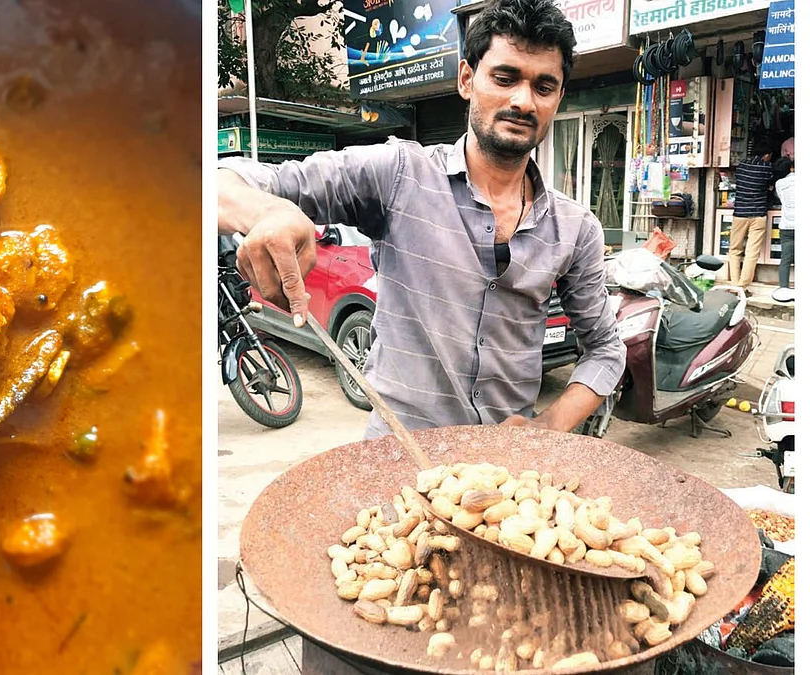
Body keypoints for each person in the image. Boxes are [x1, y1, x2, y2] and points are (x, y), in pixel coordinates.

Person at [217, 0, 625, 438]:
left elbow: (605, 349)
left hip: (504, 467)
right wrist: (269, 211)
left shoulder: (575, 228)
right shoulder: (397, 174)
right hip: (398, 454)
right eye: (504, 78)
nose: (523, 101)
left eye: (543, 87)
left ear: (558, 98)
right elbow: (219, 182)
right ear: (466, 79)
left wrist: (547, 426)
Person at [728, 148, 774, 291]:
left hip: (740, 214)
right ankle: (742, 287)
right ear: (766, 155)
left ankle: (734, 285)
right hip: (758, 215)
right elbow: (770, 185)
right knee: (752, 253)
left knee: (734, 250)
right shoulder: (767, 168)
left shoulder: (741, 166)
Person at [772, 157, 794, 303]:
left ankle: (783, 289)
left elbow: (779, 198)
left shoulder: (779, 183)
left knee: (785, 260)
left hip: (786, 225)